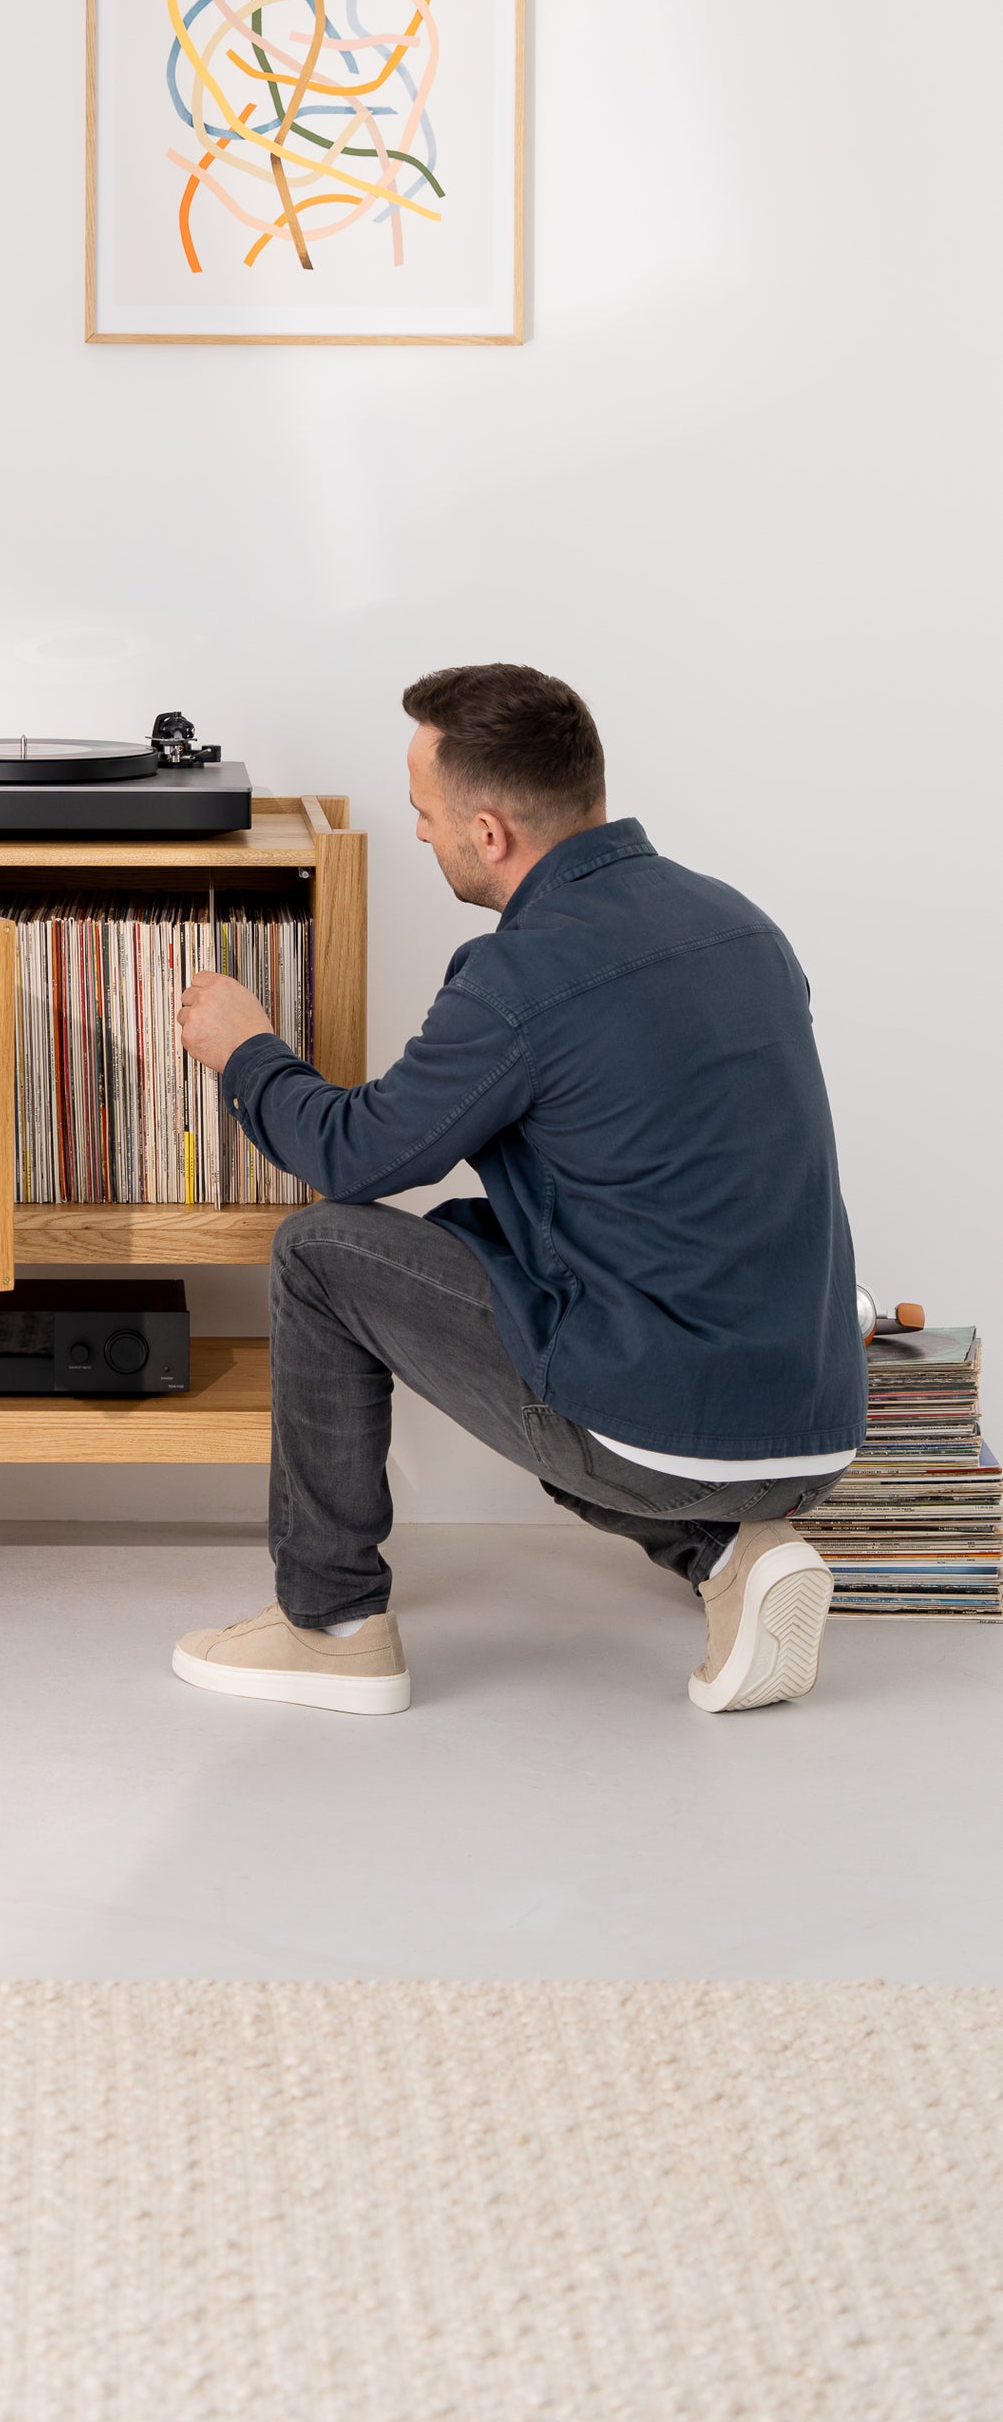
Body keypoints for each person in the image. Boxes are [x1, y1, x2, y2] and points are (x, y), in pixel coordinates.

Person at [172, 664, 864, 1719]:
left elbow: (355, 1156)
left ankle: (331, 1626)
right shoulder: (740, 924)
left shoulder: (519, 978)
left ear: (488, 832)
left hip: (656, 1422)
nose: (416, 832)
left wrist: (246, 1052)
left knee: (320, 1252)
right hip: (814, 1420)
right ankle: (729, 1549)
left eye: (422, 812)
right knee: (506, 1275)